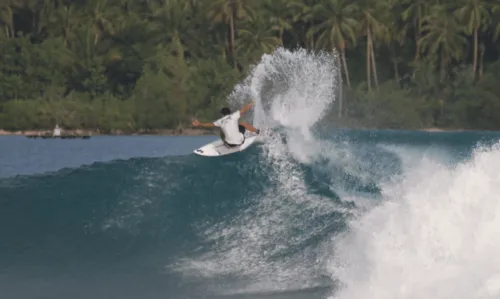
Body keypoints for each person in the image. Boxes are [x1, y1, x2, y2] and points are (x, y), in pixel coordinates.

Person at [192, 101, 260, 147]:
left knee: (221, 128)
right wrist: (252, 103)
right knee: (243, 124)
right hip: (239, 142)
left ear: (222, 114)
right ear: (230, 112)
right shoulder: (233, 116)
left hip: (229, 144)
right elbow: (244, 109)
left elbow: (209, 124)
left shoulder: (220, 121)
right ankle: (257, 132)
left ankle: (225, 141)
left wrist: (199, 124)